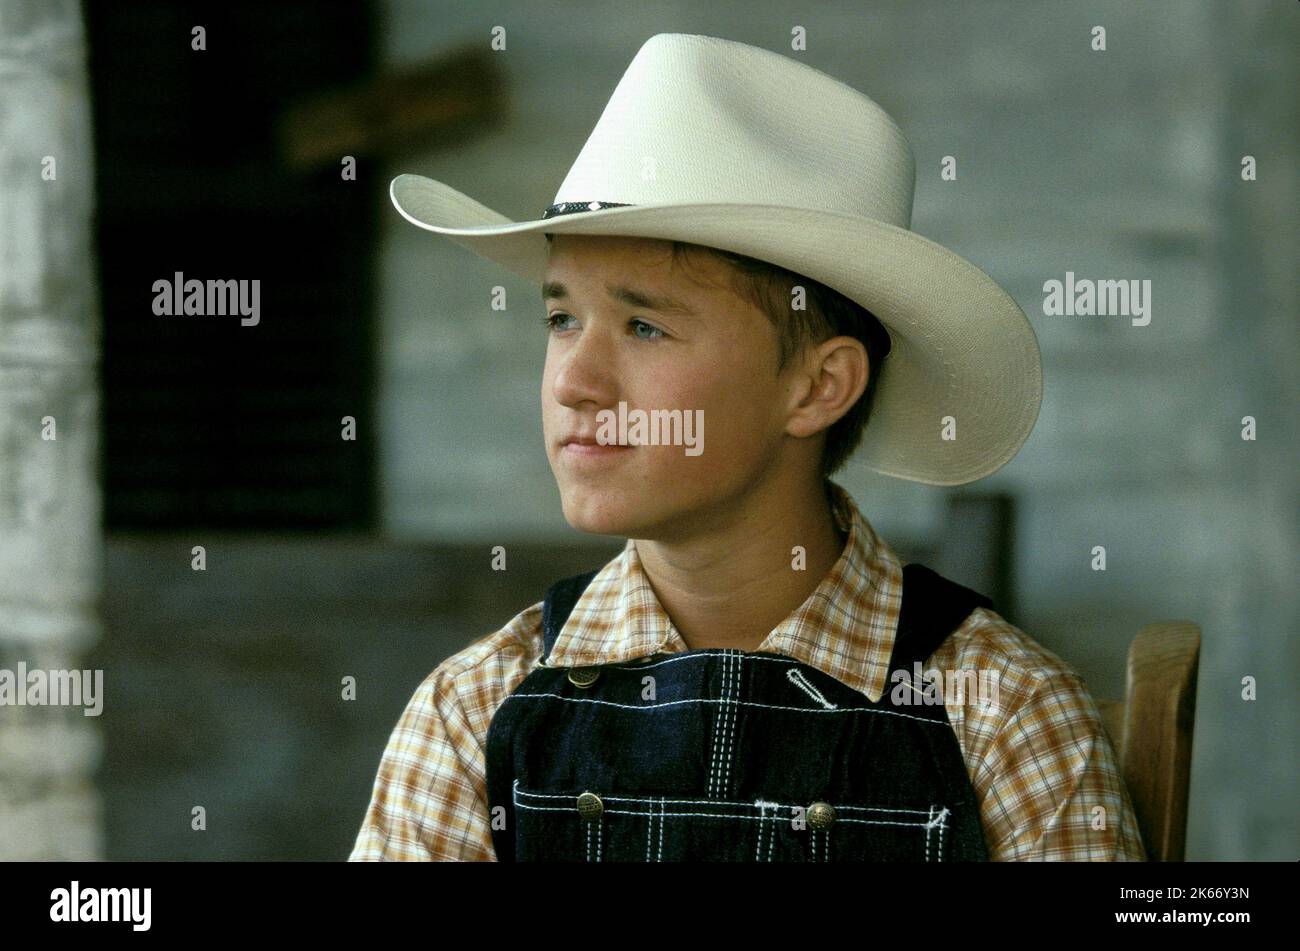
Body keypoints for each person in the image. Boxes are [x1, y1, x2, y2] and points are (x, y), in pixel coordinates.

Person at [350, 32, 1144, 861]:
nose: (571, 381)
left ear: (817, 386)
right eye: (561, 319)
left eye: (645, 326)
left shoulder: (1004, 714)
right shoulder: (474, 714)